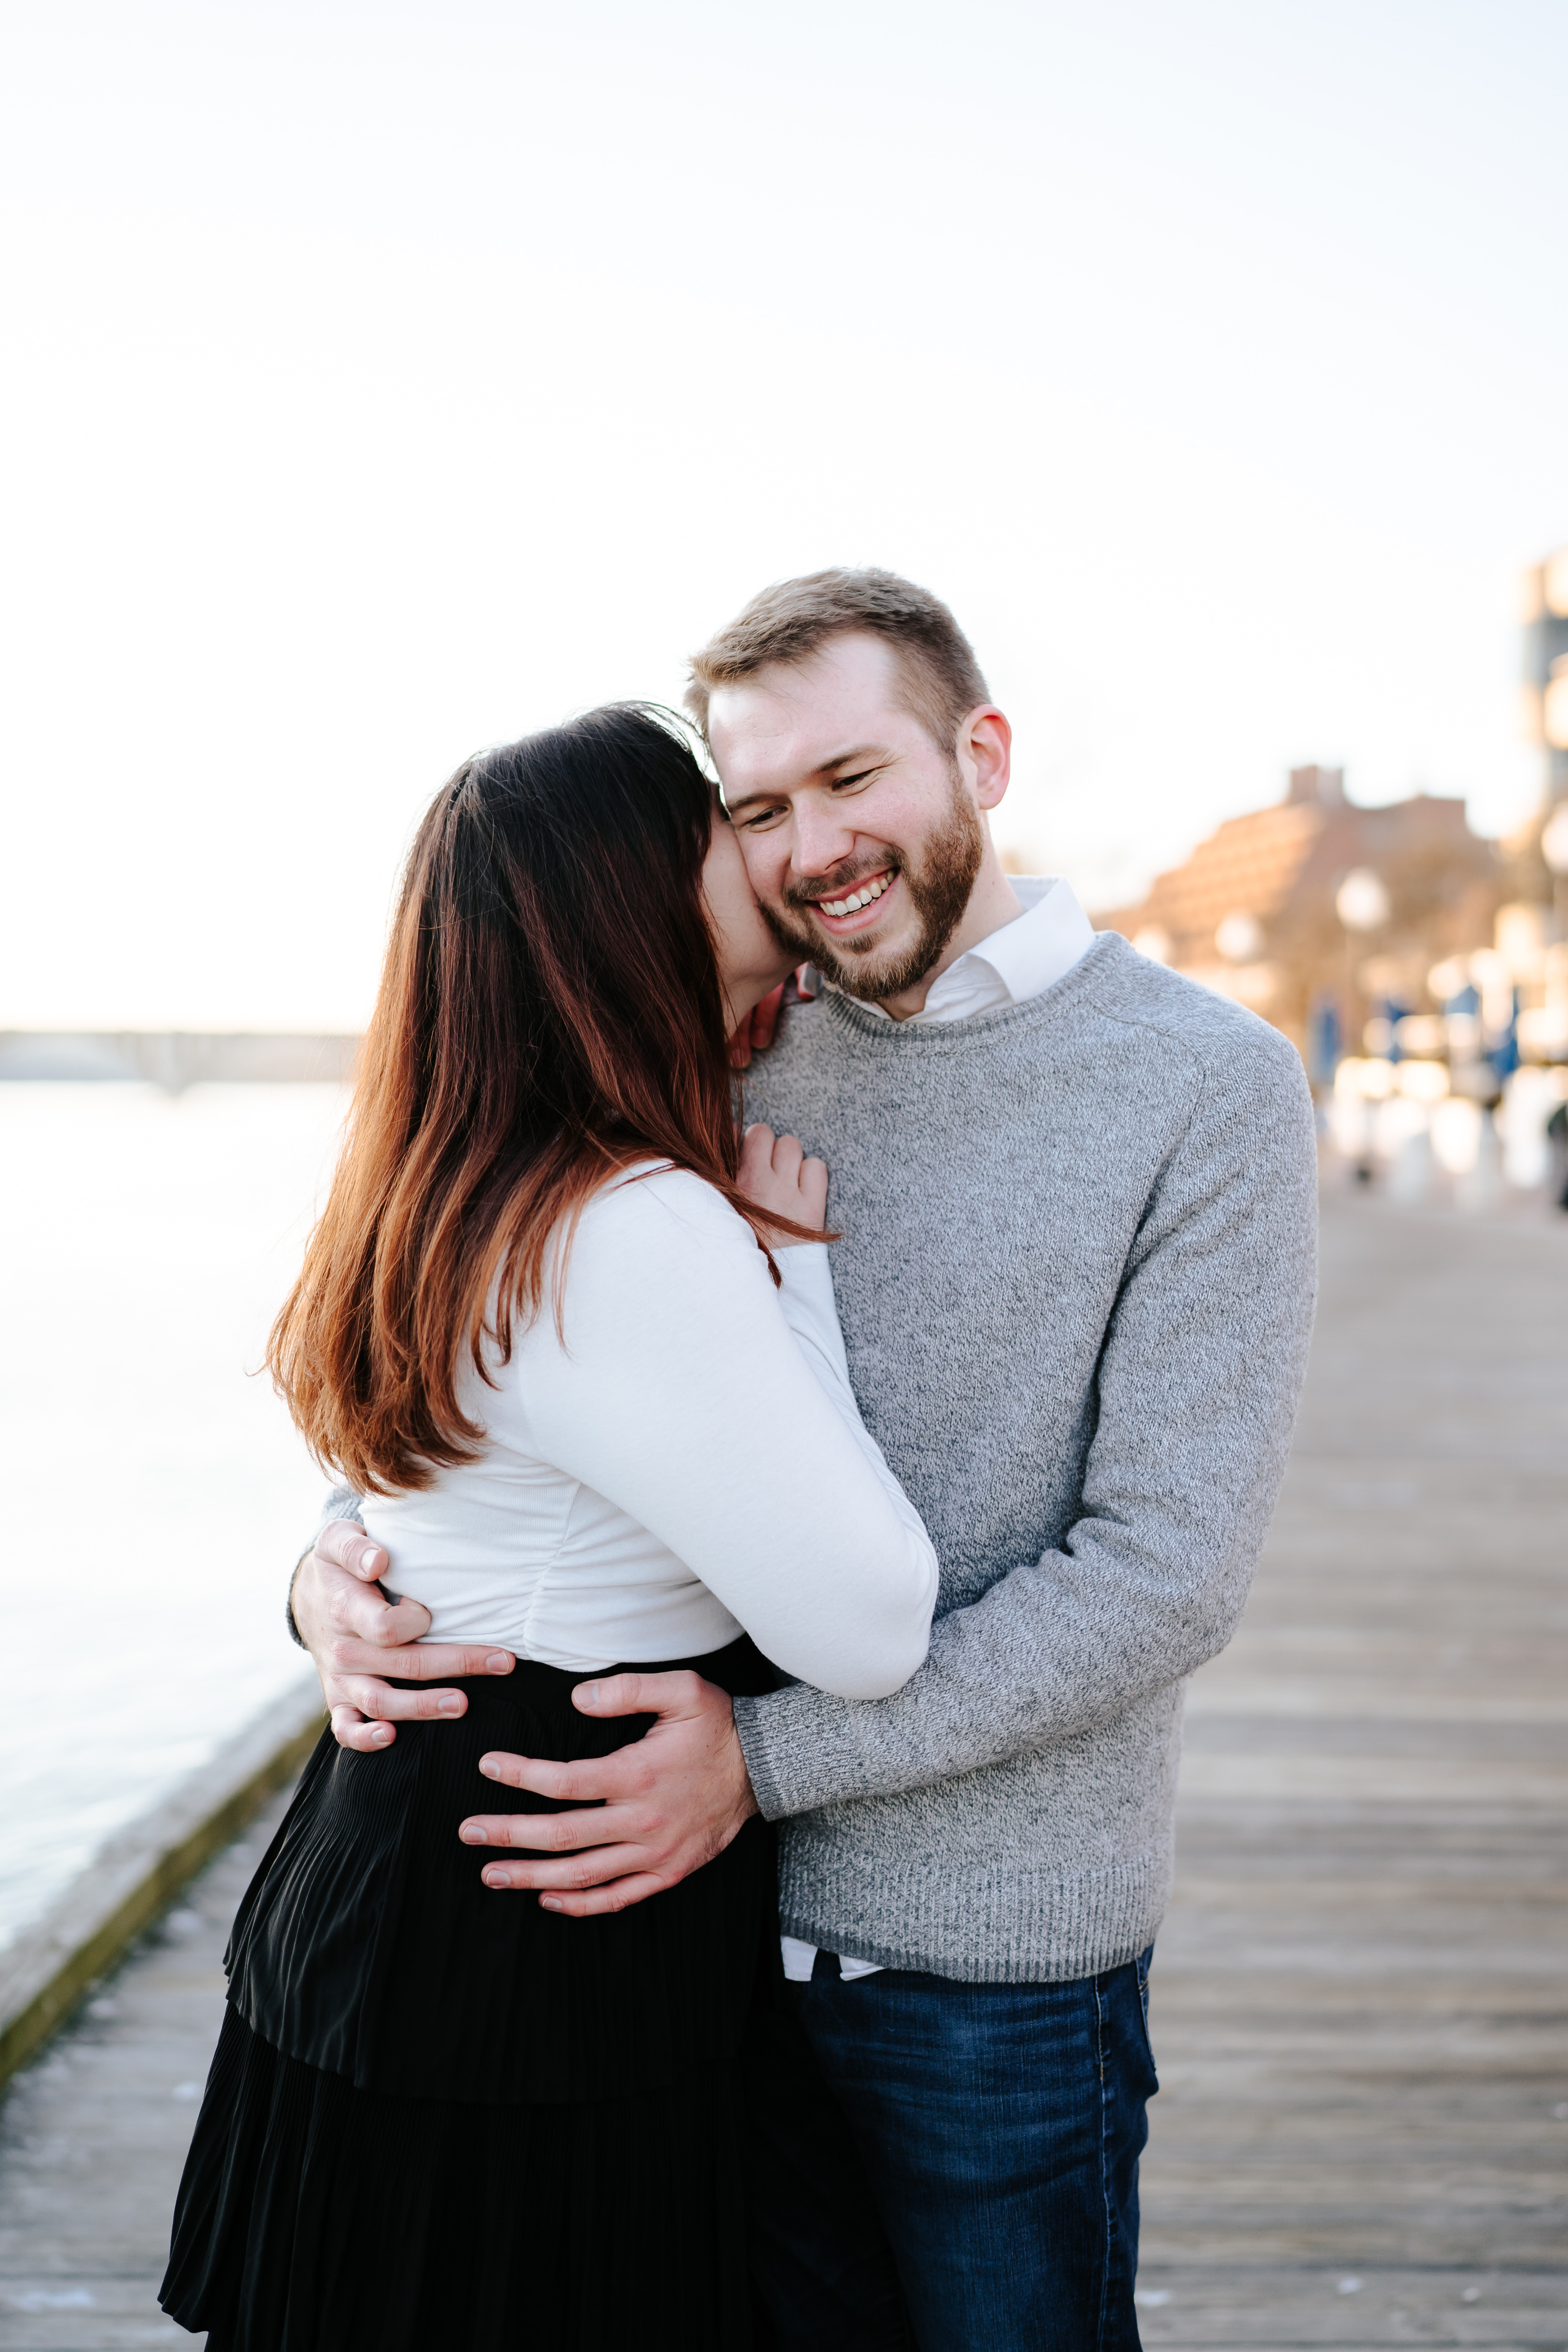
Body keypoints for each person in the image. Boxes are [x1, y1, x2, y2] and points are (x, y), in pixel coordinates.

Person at [292, 569, 1320, 2350]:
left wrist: (757, 1763)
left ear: (980, 756)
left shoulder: (1206, 1088)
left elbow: (1165, 1570)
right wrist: (330, 1566)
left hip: (987, 1959)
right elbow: (505, 1336)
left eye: (856, 780)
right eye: (758, 808)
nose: (813, 848)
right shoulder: (725, 1038)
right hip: (683, 1947)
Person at [160, 704, 940, 2352]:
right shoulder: (640, 1224)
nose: (765, 861)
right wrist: (792, 1268)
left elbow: (421, 1488)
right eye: (718, 833)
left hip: (385, 1879)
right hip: (536, 1929)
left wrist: (319, 1591)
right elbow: (868, 1626)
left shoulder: (444, 1184)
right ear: (633, 902)